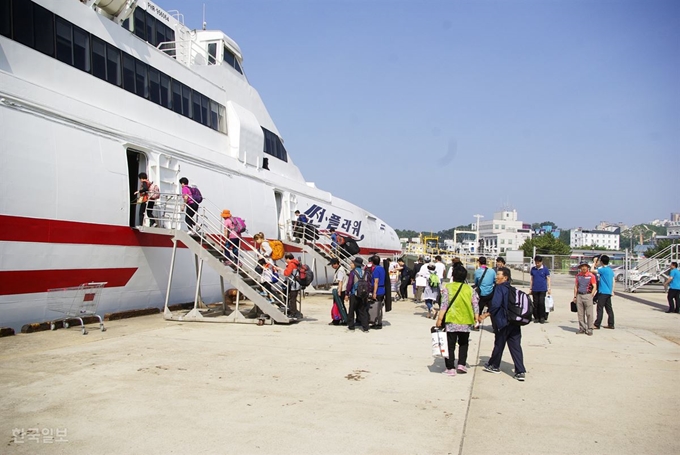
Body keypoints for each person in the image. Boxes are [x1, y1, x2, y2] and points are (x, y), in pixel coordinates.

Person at [482, 267, 527, 381]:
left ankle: (494, 365)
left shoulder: (499, 288)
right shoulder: (512, 289)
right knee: (516, 346)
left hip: (503, 322)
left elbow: (496, 304)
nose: (496, 277)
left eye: (498, 275)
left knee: (499, 343)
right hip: (514, 321)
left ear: (505, 277)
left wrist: (486, 314)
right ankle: (520, 371)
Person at [436, 265, 479, 376]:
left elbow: (444, 305)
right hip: (466, 320)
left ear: (453, 276)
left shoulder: (448, 287)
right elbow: (475, 304)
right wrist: (476, 317)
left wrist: (439, 319)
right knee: (463, 343)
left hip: (451, 320)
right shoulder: (470, 289)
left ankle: (450, 368)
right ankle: (461, 364)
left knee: (450, 345)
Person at [345, 257, 369, 332]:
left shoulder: (353, 272)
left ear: (355, 264)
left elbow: (350, 283)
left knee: (351, 310)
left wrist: (347, 293)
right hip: (363, 294)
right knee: (363, 310)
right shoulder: (366, 272)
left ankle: (351, 326)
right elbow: (369, 283)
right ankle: (365, 327)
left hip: (354, 293)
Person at [573, 262, 597, 335]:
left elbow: (594, 286)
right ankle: (582, 328)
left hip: (588, 295)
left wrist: (591, 295)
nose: (583, 268)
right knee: (580, 313)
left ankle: (590, 328)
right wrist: (575, 296)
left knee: (589, 313)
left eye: (585, 266)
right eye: (582, 266)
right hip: (579, 295)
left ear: (587, 267)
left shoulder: (591, 276)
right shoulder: (578, 276)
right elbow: (576, 286)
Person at [593, 255, 615, 329]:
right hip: (608, 292)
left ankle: (597, 324)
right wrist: (612, 290)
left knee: (600, 308)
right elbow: (613, 280)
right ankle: (611, 324)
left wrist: (594, 262)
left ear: (601, 262)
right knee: (609, 309)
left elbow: (592, 270)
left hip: (603, 292)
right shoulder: (610, 270)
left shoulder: (603, 269)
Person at [474, 257, 496, 325]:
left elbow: (476, 282)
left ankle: (476, 325)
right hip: (490, 293)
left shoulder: (477, 271)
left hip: (481, 293)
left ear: (479, 263)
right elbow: (494, 281)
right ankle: (495, 327)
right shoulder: (492, 271)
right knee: (492, 310)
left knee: (479, 310)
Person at [530, 255, 551, 324]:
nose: (537, 264)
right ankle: (536, 317)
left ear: (541, 262)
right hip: (535, 289)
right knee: (535, 303)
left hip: (542, 289)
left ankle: (542, 317)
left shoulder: (545, 269)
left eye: (538, 262)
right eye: (536, 262)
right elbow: (532, 279)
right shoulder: (533, 269)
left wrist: (549, 288)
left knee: (541, 303)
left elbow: (548, 279)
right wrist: (530, 288)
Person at [282, 253, 303, 320]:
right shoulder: (296, 263)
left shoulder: (291, 264)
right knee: (293, 298)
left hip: (294, 284)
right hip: (297, 284)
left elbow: (287, 273)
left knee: (292, 299)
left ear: (288, 258)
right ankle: (295, 312)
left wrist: (280, 269)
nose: (285, 260)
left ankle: (293, 313)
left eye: (286, 259)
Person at [329, 258, 348, 325]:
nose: (332, 266)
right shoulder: (339, 269)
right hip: (339, 289)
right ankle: (343, 318)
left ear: (336, 264)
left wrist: (339, 291)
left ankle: (338, 320)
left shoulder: (340, 271)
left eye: (332, 265)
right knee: (340, 305)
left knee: (338, 305)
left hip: (339, 290)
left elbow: (340, 281)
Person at [369, 255, 386, 329]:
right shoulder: (382, 269)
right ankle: (379, 321)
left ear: (372, 262)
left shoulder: (376, 270)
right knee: (380, 307)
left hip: (378, 290)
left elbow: (376, 281)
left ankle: (377, 322)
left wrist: (374, 292)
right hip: (382, 289)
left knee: (376, 307)